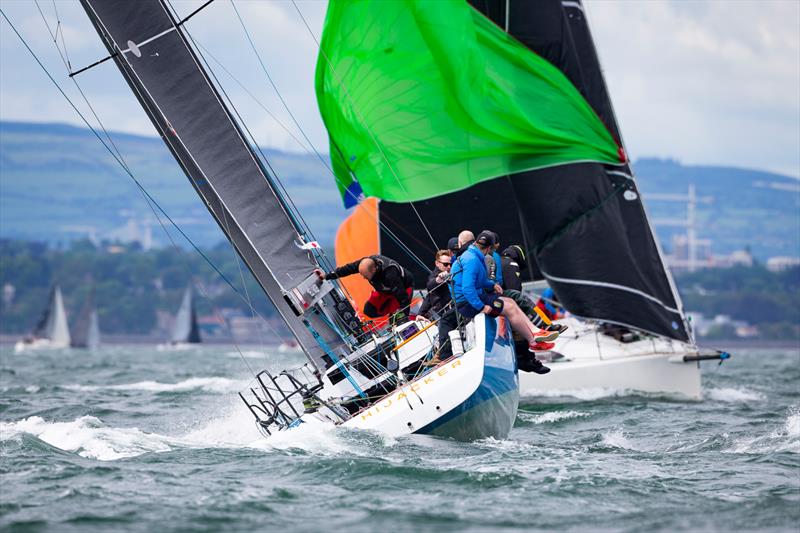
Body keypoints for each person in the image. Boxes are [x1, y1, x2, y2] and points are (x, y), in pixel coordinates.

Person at [452, 231, 558, 353]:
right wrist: (481, 307)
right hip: (467, 303)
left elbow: (479, 281)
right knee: (510, 308)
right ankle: (533, 340)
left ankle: (535, 332)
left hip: (475, 296)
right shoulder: (472, 260)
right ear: (489, 248)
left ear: (476, 243)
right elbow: (467, 288)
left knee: (511, 301)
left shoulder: (474, 255)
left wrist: (492, 285)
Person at [315, 255, 413, 320]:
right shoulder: (365, 263)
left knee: (397, 318)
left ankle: (393, 317)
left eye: (365, 276)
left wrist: (401, 315)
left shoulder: (390, 274)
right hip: (384, 292)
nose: (363, 278)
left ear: (375, 270)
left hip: (403, 290)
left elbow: (403, 299)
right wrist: (326, 276)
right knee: (369, 310)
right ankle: (390, 314)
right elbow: (346, 269)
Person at [501, 245, 567, 334]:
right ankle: (546, 326)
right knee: (523, 300)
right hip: (539, 307)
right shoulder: (512, 264)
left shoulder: (499, 261)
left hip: (496, 298)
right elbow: (514, 289)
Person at [418, 250, 453, 319]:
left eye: (450, 264)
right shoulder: (434, 276)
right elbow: (430, 287)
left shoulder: (453, 271)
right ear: (437, 263)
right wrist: (420, 314)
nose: (449, 267)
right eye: (445, 264)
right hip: (444, 313)